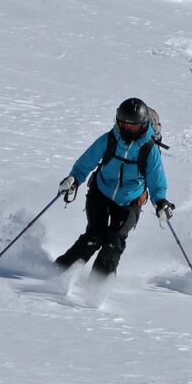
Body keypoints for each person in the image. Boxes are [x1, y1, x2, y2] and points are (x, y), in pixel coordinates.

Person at [55, 98, 174, 279]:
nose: (126, 130)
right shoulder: (109, 140)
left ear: (142, 126)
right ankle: (57, 272)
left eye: (132, 127)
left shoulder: (149, 150)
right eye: (123, 124)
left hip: (130, 200)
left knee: (114, 241)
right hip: (100, 193)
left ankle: (97, 286)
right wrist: (74, 179)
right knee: (94, 236)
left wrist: (160, 202)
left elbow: (157, 181)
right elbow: (86, 162)